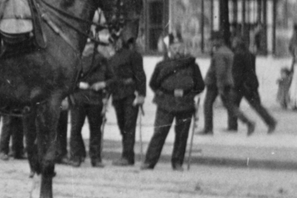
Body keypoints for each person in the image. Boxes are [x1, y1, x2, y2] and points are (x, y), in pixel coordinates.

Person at [143, 35, 204, 171]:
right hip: (166, 103)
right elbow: (153, 83)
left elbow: (200, 85)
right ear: (170, 49)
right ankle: (149, 162)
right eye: (174, 48)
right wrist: (161, 94)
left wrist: (190, 96)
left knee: (182, 135)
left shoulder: (192, 66)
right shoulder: (162, 65)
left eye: (180, 48)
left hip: (185, 104)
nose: (177, 50)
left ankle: (177, 163)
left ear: (184, 48)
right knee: (160, 132)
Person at [67, 33, 110, 166]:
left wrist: (104, 84)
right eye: (86, 44)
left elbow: (113, 79)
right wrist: (78, 84)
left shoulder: (102, 60)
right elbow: (67, 79)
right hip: (79, 98)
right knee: (75, 129)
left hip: (95, 99)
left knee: (95, 130)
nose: (88, 47)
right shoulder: (75, 60)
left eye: (91, 44)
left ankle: (95, 159)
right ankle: (76, 156)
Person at [106, 34, 147, 166]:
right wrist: (106, 97)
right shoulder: (111, 59)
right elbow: (109, 78)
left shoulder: (133, 55)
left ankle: (127, 156)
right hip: (117, 94)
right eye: (113, 42)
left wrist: (141, 95)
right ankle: (128, 154)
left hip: (130, 94)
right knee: (122, 125)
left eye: (117, 41)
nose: (114, 44)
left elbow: (140, 75)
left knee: (129, 126)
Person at [230, 32, 276, 134]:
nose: (232, 43)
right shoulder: (249, 54)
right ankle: (270, 122)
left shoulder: (237, 55)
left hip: (241, 84)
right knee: (255, 105)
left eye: (234, 41)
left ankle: (235, 125)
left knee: (232, 104)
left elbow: (237, 72)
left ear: (237, 43)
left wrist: (235, 84)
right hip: (250, 83)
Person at [201, 32, 236, 135]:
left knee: (207, 104)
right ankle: (233, 125)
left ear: (218, 40)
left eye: (212, 40)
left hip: (215, 83)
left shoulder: (219, 53)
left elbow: (219, 71)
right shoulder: (227, 51)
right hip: (226, 81)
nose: (211, 42)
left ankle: (208, 128)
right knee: (229, 104)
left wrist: (219, 86)